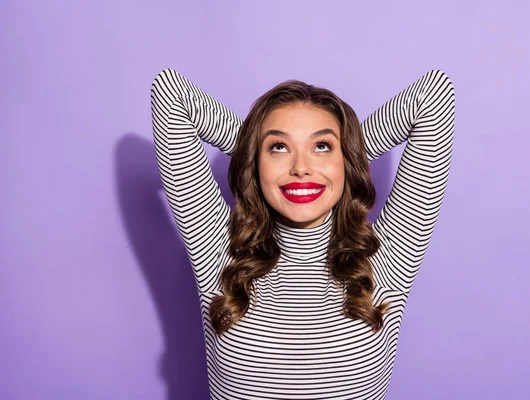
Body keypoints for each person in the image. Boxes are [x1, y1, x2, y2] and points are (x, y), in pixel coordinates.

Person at [150, 67, 454, 400]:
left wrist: (347, 154)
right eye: (279, 148)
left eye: (322, 146)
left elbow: (433, 95)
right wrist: (256, 149)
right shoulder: (220, 251)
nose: (300, 167)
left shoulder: (386, 258)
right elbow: (171, 94)